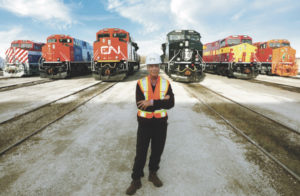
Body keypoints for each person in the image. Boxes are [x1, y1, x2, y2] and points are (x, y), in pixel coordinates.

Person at [126, 53, 175, 195]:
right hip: (145, 124)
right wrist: (162, 101)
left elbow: (171, 104)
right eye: (151, 66)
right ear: (147, 67)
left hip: (160, 124)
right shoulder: (140, 84)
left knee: (157, 150)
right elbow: (140, 105)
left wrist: (152, 102)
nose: (154, 69)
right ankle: (136, 179)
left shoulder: (166, 83)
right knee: (140, 152)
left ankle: (152, 173)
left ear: (159, 67)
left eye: (156, 66)